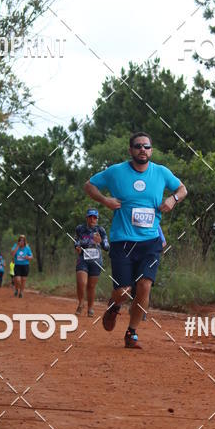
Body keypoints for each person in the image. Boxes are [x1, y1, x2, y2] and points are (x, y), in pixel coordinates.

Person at [84, 132, 187, 349]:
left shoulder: (161, 172)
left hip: (150, 241)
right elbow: (89, 185)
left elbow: (182, 189)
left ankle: (131, 332)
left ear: (151, 150)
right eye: (138, 146)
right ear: (130, 150)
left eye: (147, 146)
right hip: (123, 240)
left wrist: (173, 199)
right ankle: (114, 306)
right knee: (123, 290)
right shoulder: (116, 172)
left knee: (144, 286)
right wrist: (105, 200)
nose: (143, 149)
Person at [74, 209, 110, 316]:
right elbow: (76, 240)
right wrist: (77, 247)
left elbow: (107, 247)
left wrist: (101, 242)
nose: (92, 219)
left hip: (96, 261)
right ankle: (81, 303)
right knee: (81, 283)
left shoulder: (101, 230)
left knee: (91, 286)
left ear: (97, 219)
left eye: (94, 217)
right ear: (87, 218)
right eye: (90, 217)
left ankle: (90, 308)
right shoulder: (80, 229)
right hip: (83, 259)